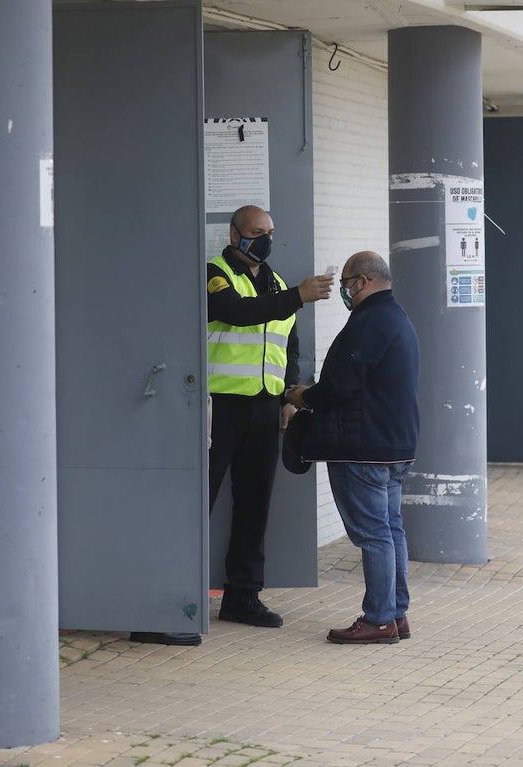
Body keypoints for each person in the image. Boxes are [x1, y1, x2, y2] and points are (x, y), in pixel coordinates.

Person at [129, 205, 333, 647]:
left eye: (271, 232)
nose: (265, 239)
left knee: (254, 506)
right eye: (257, 232)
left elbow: (289, 344)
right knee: (193, 505)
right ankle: (158, 606)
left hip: (263, 408)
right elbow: (236, 313)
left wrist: (287, 396)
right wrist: (299, 294)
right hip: (217, 407)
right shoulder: (213, 273)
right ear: (235, 233)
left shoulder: (276, 282)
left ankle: (242, 597)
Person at [288, 251, 420, 644]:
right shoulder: (397, 318)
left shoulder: (369, 322)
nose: (344, 291)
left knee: (373, 535)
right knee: (390, 530)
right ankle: (396, 615)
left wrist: (303, 397)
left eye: (346, 283)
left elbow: (340, 385)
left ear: (362, 281)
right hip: (394, 445)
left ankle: (379, 619)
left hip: (362, 448)